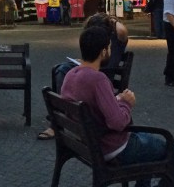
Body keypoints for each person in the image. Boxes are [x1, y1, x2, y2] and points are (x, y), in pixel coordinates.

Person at [60, 25, 174, 187]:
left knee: (148, 144)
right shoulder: (98, 79)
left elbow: (93, 109)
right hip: (115, 148)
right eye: (109, 47)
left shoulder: (71, 75)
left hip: (90, 145)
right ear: (103, 51)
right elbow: (118, 123)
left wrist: (114, 100)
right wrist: (126, 103)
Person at [37, 13, 129, 141]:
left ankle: (59, 118)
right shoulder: (97, 42)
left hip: (101, 75)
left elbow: (122, 30)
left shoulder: (116, 39)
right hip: (89, 70)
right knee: (61, 69)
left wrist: (111, 20)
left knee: (64, 70)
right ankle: (61, 114)